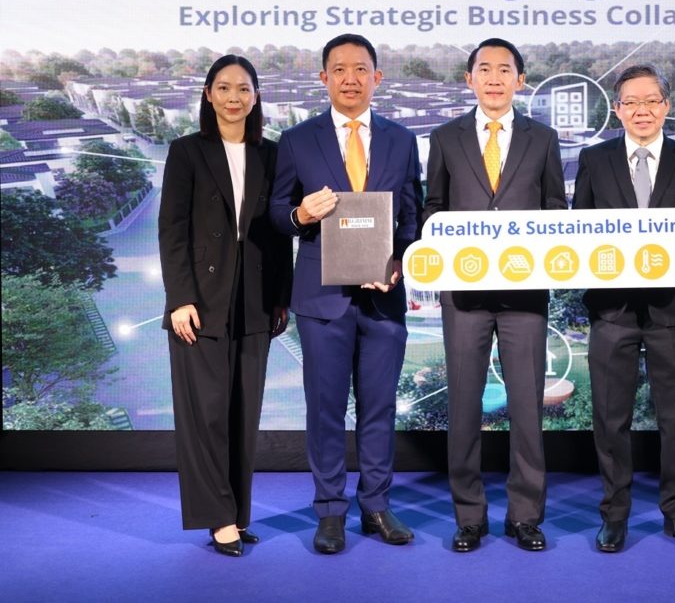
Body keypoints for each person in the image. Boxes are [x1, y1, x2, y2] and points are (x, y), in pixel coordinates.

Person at [269, 33, 423, 554]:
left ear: (377, 78)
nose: (350, 79)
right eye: (339, 69)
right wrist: (300, 214)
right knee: (325, 409)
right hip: (321, 299)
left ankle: (376, 505)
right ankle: (330, 511)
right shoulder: (297, 139)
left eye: (361, 69)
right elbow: (276, 213)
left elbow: (411, 214)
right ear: (324, 78)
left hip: (384, 298)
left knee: (379, 408)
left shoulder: (402, 139)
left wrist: (399, 261)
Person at [423, 37, 567, 552]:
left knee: (527, 407)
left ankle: (525, 516)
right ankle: (469, 516)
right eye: (484, 69)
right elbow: (433, 208)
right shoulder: (445, 137)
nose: (494, 78)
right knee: (464, 405)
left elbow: (556, 210)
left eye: (505, 69)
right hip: (464, 294)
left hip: (525, 293)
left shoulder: (543, 138)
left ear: (520, 81)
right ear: (469, 80)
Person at [572, 64, 675, 552]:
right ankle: (615, 513)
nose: (642, 110)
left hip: (670, 308)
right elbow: (579, 230)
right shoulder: (594, 160)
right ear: (617, 110)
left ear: (666, 106)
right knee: (610, 416)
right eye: (631, 102)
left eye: (651, 101)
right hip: (611, 309)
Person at [160, 54, 292, 557]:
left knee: (243, 411)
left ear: (256, 97)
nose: (234, 97)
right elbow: (172, 230)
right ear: (208, 94)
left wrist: (281, 297)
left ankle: (236, 514)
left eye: (243, 88)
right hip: (200, 300)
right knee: (206, 414)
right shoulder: (186, 151)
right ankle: (218, 518)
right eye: (224, 87)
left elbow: (280, 235)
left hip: (256, 299)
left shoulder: (272, 154)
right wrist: (180, 299)